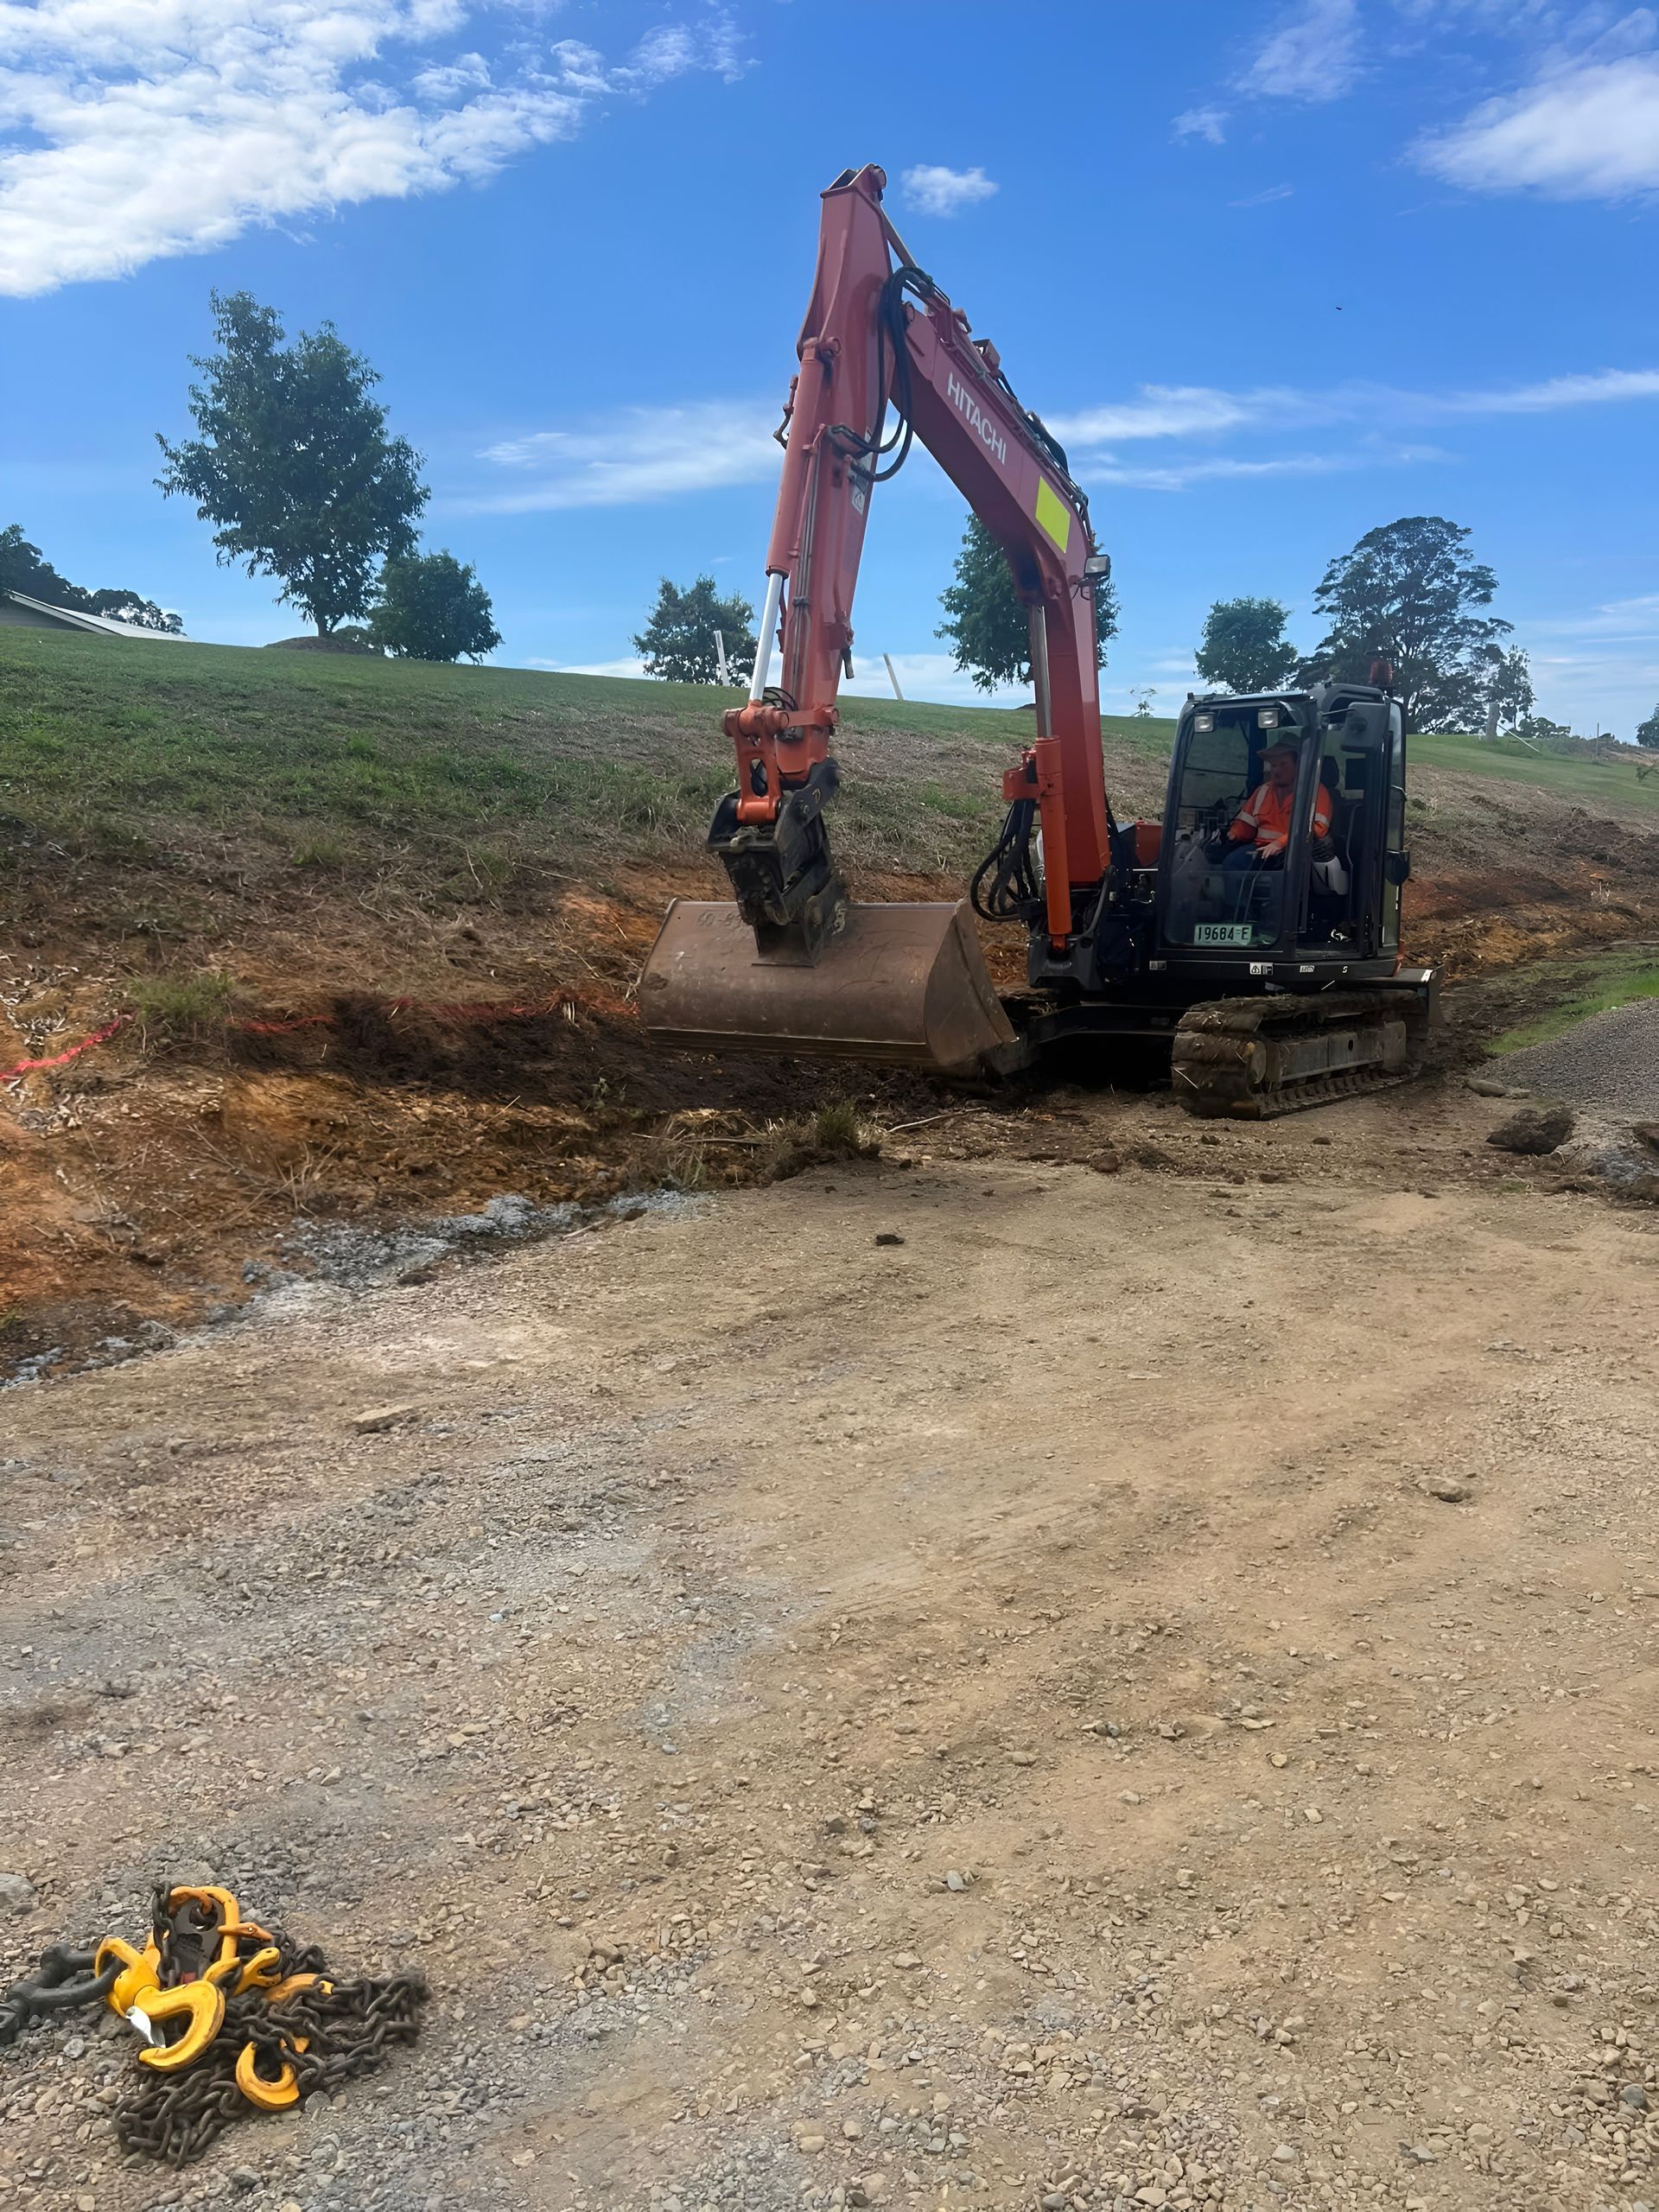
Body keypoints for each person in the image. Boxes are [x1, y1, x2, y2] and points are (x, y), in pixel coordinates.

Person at [1222, 739, 1332, 871]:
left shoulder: (1316, 792)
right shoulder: (1262, 791)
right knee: (1232, 863)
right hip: (1261, 849)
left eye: (1283, 765)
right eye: (1273, 765)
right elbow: (1246, 825)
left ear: (1299, 766)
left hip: (1297, 853)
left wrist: (1280, 843)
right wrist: (1234, 834)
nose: (1277, 771)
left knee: (1287, 877)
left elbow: (1317, 829)